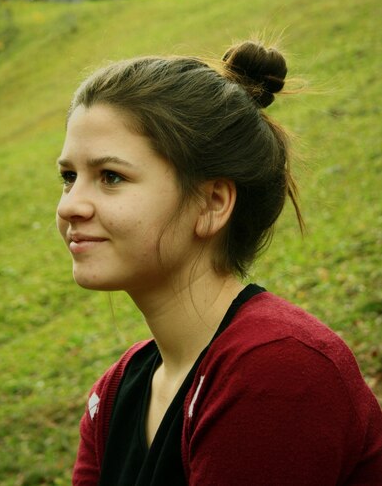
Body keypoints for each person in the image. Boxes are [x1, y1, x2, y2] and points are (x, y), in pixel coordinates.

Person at [56, 41, 382, 485]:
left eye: (111, 177)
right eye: (69, 177)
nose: (71, 205)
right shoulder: (114, 397)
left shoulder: (277, 370)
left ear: (211, 203)